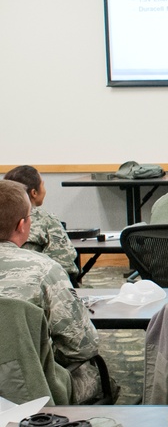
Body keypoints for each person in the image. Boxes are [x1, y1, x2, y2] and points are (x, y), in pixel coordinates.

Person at [0, 179, 107, 403]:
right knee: (92, 371)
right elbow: (82, 346)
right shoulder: (44, 270)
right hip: (31, 392)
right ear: (22, 225)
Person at [3, 165, 78, 281]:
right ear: (34, 192)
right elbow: (65, 262)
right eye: (43, 185)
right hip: (33, 282)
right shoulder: (46, 218)